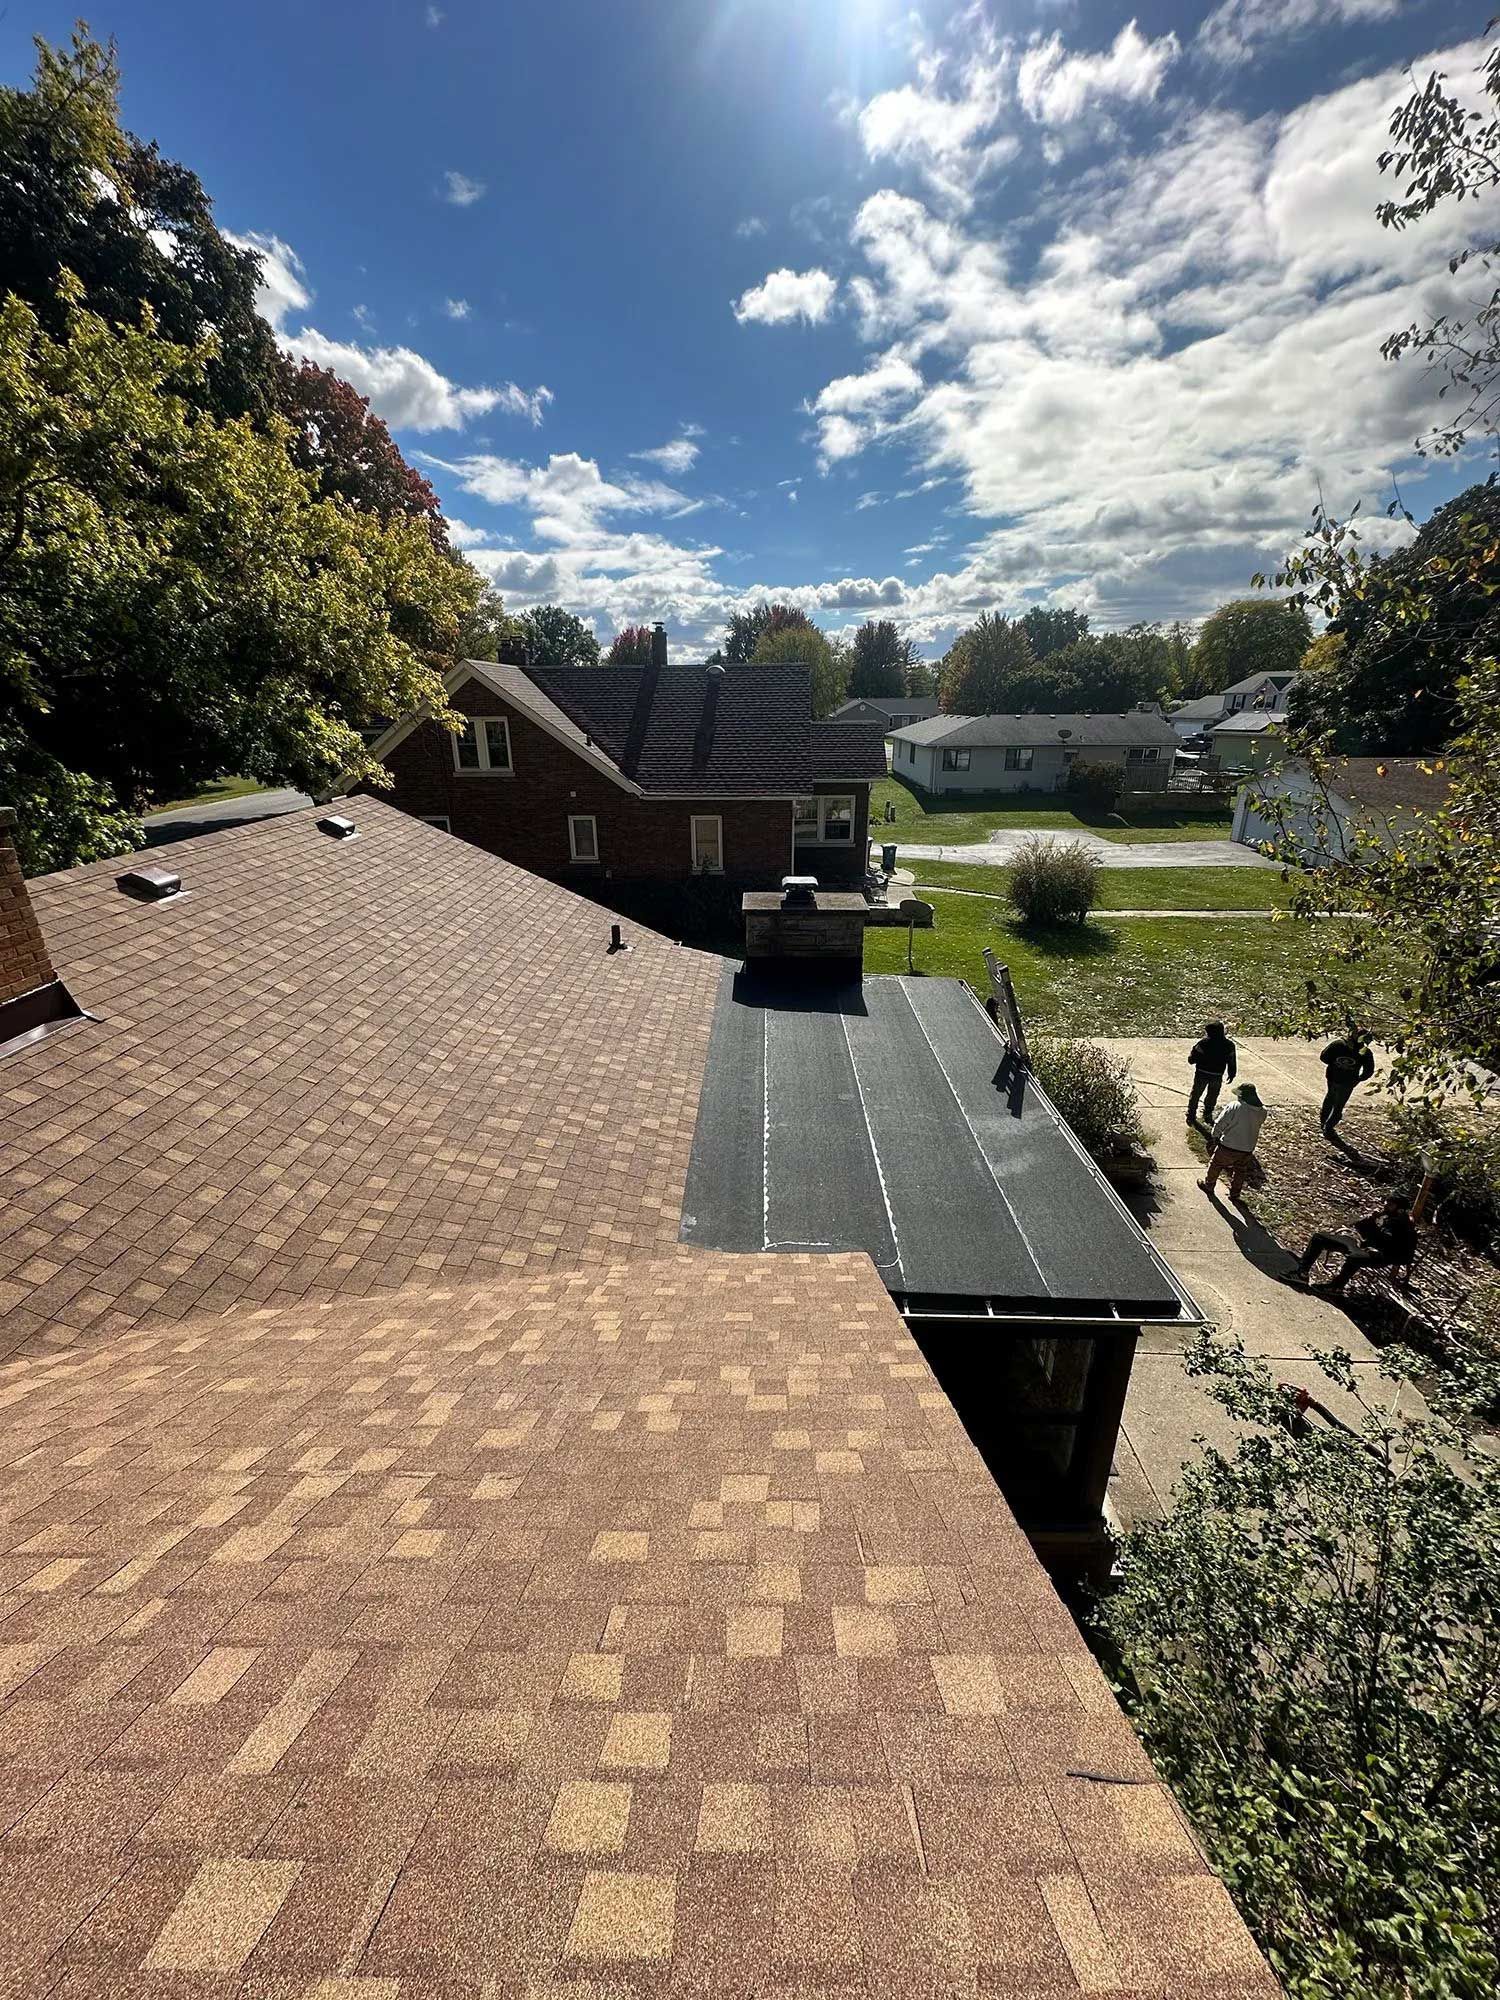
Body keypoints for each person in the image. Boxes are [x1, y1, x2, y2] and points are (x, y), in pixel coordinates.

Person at [1290, 1194, 1417, 1292]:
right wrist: (1370, 1220)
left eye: (1390, 1205)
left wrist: (1372, 1229)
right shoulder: (1390, 1219)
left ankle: (1336, 1287)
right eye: (1387, 1203)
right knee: (1320, 1238)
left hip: (1381, 1257)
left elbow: (1386, 1244)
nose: (1386, 1207)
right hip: (1366, 1246)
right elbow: (1365, 1233)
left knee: (1355, 1258)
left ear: (1400, 1210)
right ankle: (1302, 1272)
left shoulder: (1403, 1225)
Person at [1197, 1082, 1266, 1202]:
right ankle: (1235, 1194)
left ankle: (1209, 1185)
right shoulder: (1262, 1111)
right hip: (1248, 1148)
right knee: (1240, 1170)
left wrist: (1215, 1136)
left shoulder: (1235, 1106)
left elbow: (1221, 1122)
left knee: (1216, 1164)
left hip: (1229, 1145)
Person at [1319, 1029, 1375, 1135]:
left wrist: (1334, 1065)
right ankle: (1328, 1128)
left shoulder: (1338, 1044)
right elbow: (1368, 1071)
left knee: (1330, 1098)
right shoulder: (1364, 1052)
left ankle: (1324, 1122)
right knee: (1338, 1105)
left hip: (1333, 1077)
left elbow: (1324, 1057)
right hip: (1347, 1082)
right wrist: (1358, 1079)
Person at [1186, 1021, 1237, 1125]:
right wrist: (1232, 1073)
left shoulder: (1203, 1043)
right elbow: (1231, 1060)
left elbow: (1192, 1059)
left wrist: (1193, 1058)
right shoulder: (1229, 1045)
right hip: (1217, 1075)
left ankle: (1191, 1114)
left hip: (1202, 1073)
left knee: (1196, 1094)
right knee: (1212, 1095)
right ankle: (1208, 1114)